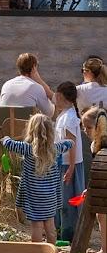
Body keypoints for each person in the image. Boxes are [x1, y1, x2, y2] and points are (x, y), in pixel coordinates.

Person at [1, 113, 73, 244]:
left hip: (34, 196)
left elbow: (9, 144)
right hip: (51, 195)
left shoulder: (27, 149)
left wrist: (5, 138)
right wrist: (67, 140)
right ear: (50, 132)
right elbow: (69, 143)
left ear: (31, 130)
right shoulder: (55, 149)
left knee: (37, 226)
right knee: (50, 226)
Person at [54, 81, 83, 242]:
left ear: (60, 96)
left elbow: (71, 144)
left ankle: (68, 234)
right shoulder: (65, 114)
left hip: (68, 164)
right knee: (61, 199)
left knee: (68, 201)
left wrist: (71, 168)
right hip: (63, 162)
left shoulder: (69, 117)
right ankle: (61, 231)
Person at [81, 106, 107, 253]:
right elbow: (96, 170)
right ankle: (104, 249)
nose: (85, 130)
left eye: (88, 127)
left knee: (102, 215)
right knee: (101, 215)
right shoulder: (93, 145)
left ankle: (104, 250)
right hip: (102, 183)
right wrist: (91, 188)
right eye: (84, 127)